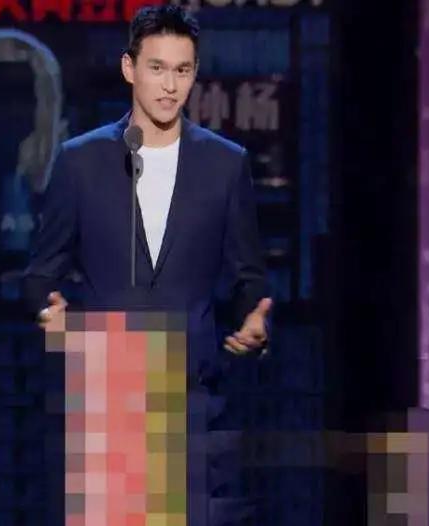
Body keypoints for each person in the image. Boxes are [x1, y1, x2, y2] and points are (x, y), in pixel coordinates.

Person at [21, 3, 272, 365]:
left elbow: (247, 277)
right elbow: (40, 275)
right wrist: (49, 312)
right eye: (157, 68)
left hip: (193, 380)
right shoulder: (80, 161)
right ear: (129, 68)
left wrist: (254, 320)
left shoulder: (226, 163)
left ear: (195, 72)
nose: (170, 86)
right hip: (105, 375)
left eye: (182, 70)